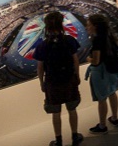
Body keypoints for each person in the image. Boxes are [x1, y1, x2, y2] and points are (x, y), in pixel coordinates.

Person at [34, 11, 83, 146]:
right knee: (72, 109)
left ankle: (59, 140)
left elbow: (40, 68)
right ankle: (75, 136)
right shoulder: (70, 40)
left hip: (52, 82)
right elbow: (75, 61)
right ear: (61, 24)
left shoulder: (42, 46)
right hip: (69, 79)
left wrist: (41, 83)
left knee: (56, 112)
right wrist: (77, 76)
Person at [86, 14, 118, 134]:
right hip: (111, 70)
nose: (87, 27)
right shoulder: (109, 36)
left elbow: (96, 61)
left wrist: (88, 59)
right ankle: (114, 118)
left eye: (88, 25)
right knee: (112, 93)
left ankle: (102, 125)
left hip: (100, 73)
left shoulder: (97, 40)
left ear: (95, 26)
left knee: (102, 98)